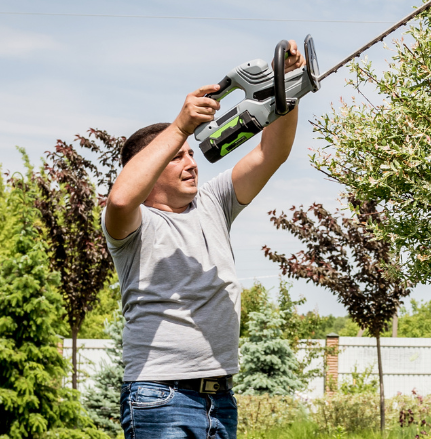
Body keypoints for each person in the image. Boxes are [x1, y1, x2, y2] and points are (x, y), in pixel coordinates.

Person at [102, 40, 305, 438]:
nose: (191, 162)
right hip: (159, 395)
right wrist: (179, 127)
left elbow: (272, 153)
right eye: (177, 156)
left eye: (190, 153)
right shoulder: (132, 226)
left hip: (219, 397)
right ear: (152, 166)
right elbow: (121, 196)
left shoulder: (213, 201)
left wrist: (289, 89)